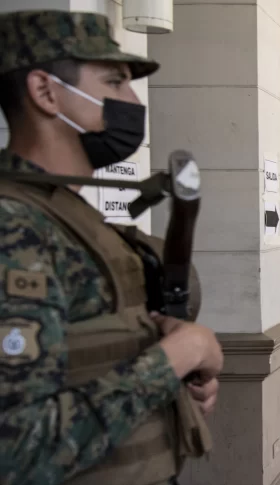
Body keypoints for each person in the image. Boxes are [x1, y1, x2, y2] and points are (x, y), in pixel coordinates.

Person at [0, 10, 223, 485]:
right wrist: (177, 357)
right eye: (115, 82)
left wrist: (170, 390)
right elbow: (15, 448)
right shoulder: (14, 227)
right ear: (45, 92)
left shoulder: (70, 216)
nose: (132, 100)